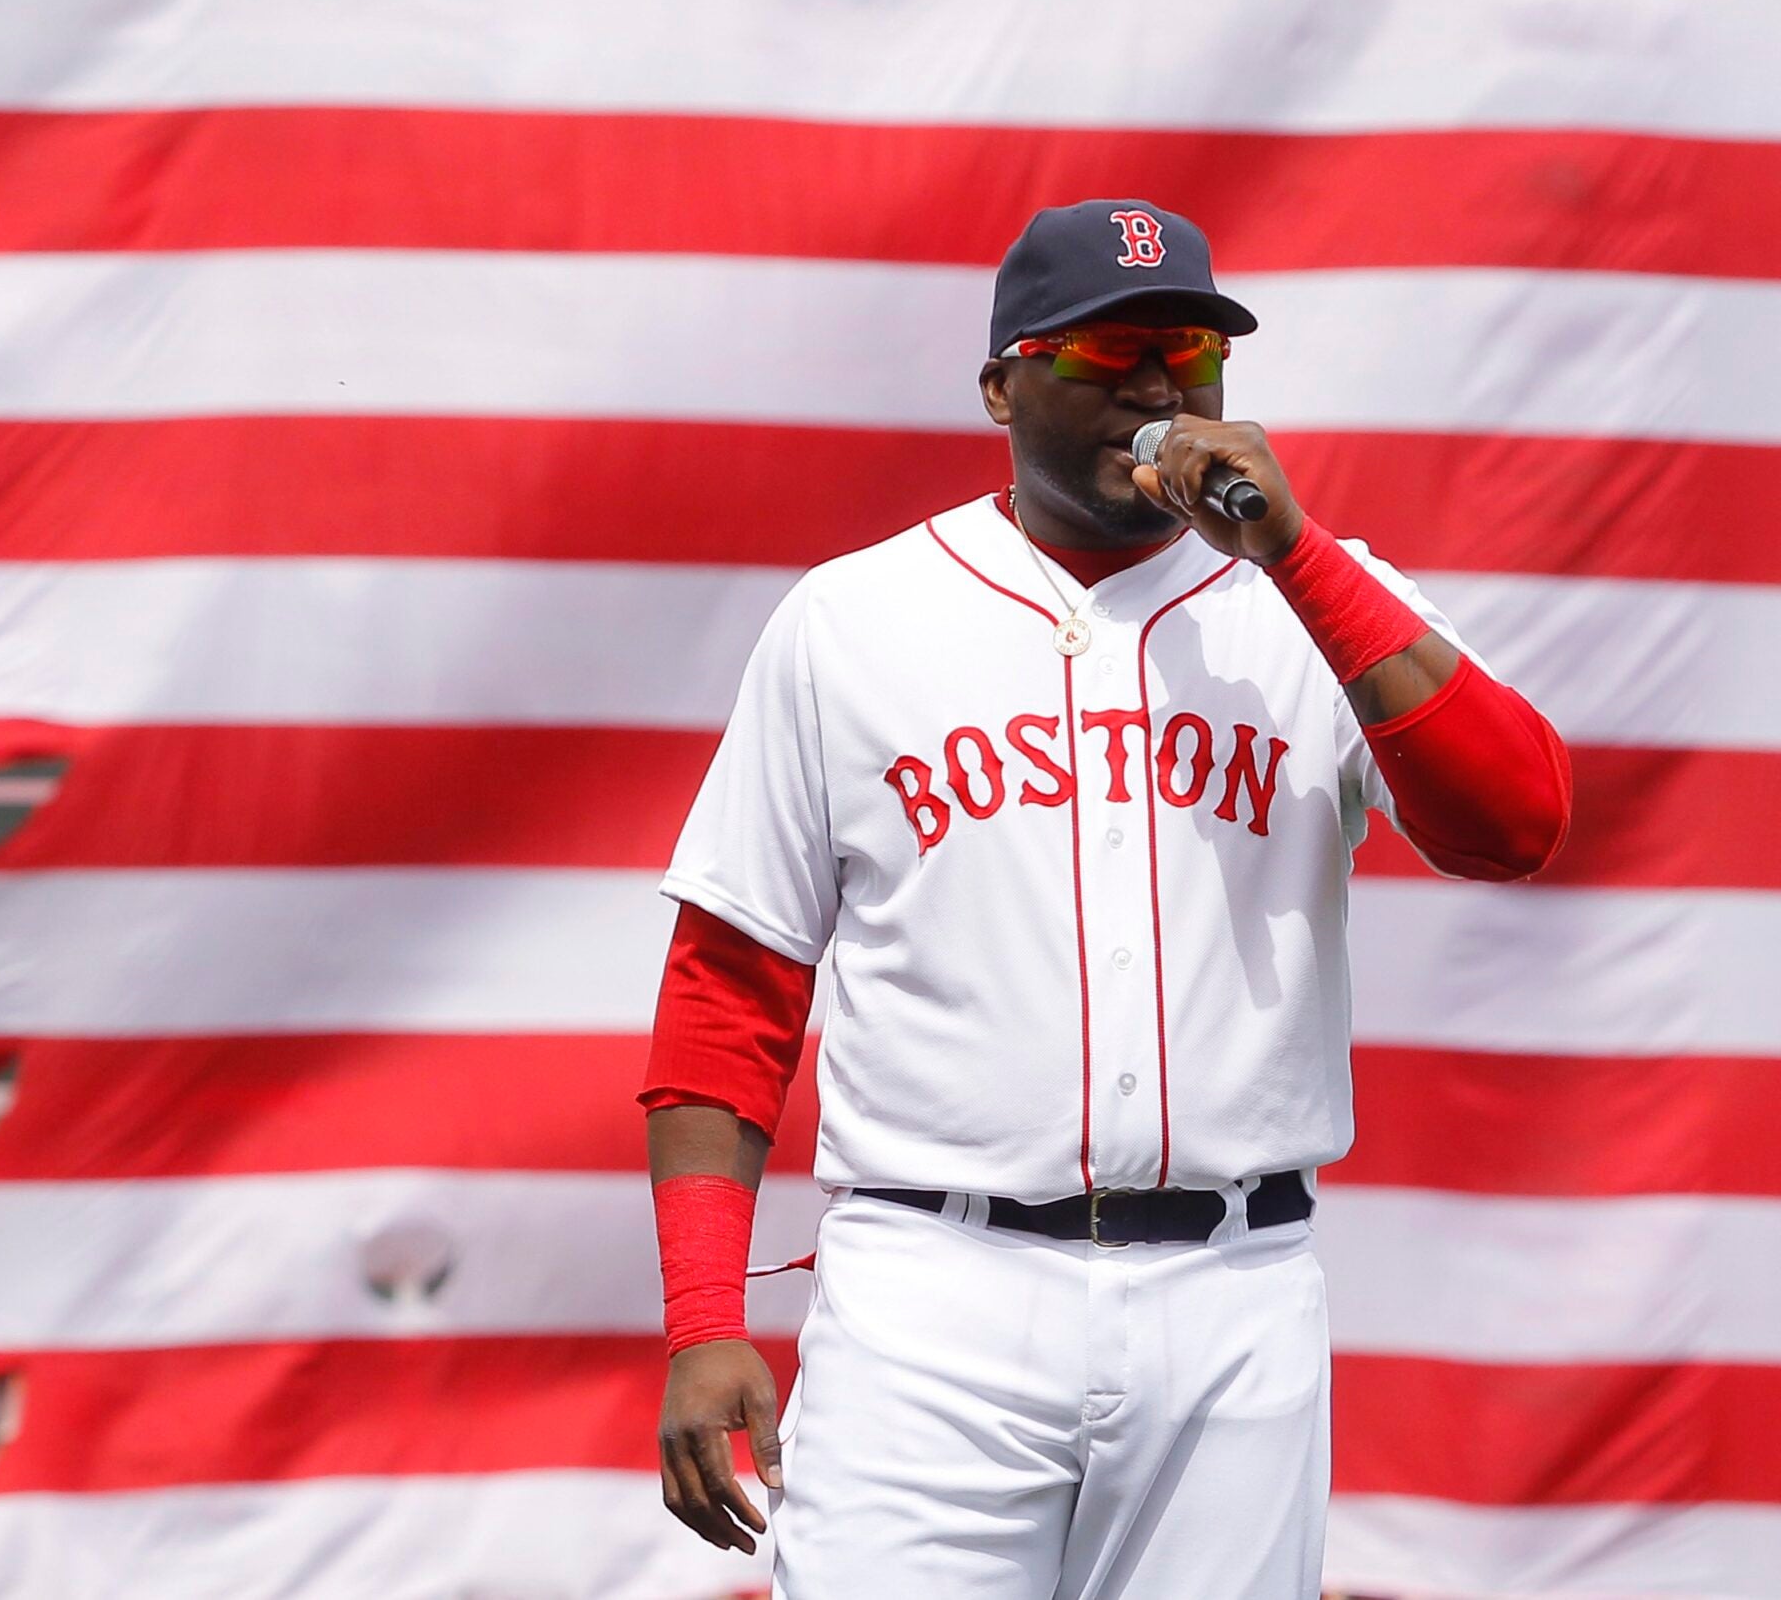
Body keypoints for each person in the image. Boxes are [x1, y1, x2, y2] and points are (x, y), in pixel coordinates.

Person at [641, 199, 1571, 1596]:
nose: (1155, 383)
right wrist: (705, 1313)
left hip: (1234, 1297)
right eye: (1102, 351)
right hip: (933, 1297)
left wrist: (1300, 562)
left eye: (1189, 346)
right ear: (1001, 383)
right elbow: (731, 987)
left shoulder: (1310, 600)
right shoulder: (854, 620)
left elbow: (1519, 820)